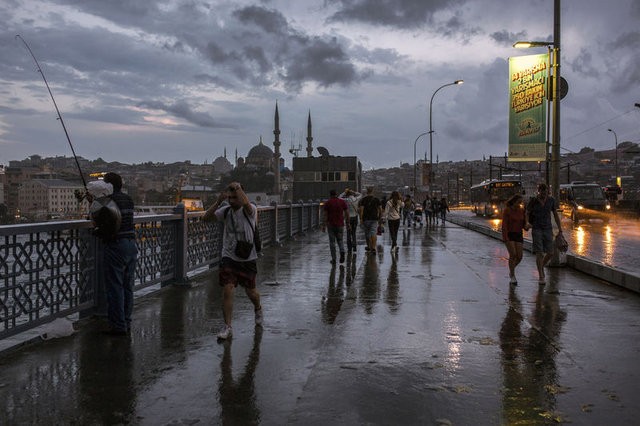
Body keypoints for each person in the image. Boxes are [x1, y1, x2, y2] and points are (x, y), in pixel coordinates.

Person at [203, 182, 262, 340]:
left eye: (234, 197)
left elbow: (247, 205)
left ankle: (258, 307)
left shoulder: (251, 210)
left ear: (242, 196)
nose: (231, 200)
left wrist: (238, 189)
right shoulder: (226, 211)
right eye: (229, 197)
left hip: (247, 257)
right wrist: (217, 202)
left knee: (251, 292)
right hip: (229, 256)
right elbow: (205, 218)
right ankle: (227, 326)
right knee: (228, 288)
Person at [100, 172, 137, 336]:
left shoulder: (108, 200)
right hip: (131, 244)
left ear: (108, 186)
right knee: (127, 286)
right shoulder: (128, 199)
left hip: (116, 245)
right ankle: (127, 321)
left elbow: (101, 219)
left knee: (115, 287)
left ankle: (118, 325)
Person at [526, 183, 563, 285]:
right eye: (542, 191)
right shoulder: (533, 201)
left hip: (547, 228)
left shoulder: (551, 200)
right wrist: (527, 223)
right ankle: (541, 276)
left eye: (546, 191)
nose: (544, 193)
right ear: (539, 191)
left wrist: (560, 229)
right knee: (540, 252)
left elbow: (555, 214)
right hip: (536, 228)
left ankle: (541, 266)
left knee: (550, 252)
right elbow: (527, 212)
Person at [501, 194, 529, 285]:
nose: (519, 204)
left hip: (518, 234)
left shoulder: (522, 211)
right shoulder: (507, 211)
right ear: (514, 201)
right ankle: (513, 276)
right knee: (513, 255)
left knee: (519, 257)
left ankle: (511, 270)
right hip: (510, 234)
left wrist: (527, 226)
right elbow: (504, 225)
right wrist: (505, 238)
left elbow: (524, 225)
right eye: (518, 202)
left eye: (521, 203)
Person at [322, 189, 349, 264]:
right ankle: (342, 251)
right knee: (340, 240)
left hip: (331, 225)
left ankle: (334, 259)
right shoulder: (342, 202)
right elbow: (347, 213)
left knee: (332, 242)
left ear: (330, 195)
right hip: (340, 224)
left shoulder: (328, 203)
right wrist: (348, 223)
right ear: (336, 194)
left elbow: (325, 215)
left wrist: (324, 225)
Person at [358, 187, 382, 254]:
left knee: (367, 233)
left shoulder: (363, 200)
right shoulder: (376, 199)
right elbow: (380, 209)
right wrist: (380, 217)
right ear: (372, 191)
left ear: (367, 192)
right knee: (373, 233)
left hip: (366, 219)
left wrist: (361, 219)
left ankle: (368, 246)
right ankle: (373, 247)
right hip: (374, 219)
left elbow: (361, 210)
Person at [339, 188, 362, 253]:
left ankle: (349, 248)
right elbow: (360, 194)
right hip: (355, 217)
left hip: (348, 218)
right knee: (354, 232)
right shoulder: (356, 199)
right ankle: (354, 246)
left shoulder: (346, 200)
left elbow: (339, 197)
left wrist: (344, 192)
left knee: (348, 233)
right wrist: (354, 192)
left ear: (347, 194)